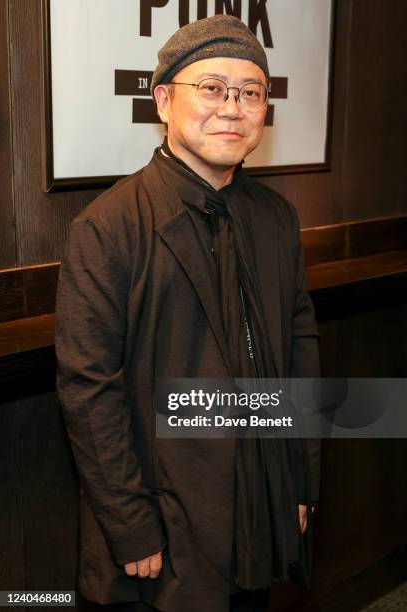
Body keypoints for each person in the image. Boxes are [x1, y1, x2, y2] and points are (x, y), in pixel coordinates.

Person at [55, 14, 321, 612]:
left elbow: (300, 351)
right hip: (164, 524)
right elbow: (89, 389)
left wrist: (297, 480)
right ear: (163, 100)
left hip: (259, 504)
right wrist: (129, 523)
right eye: (211, 88)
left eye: (250, 92)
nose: (232, 107)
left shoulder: (276, 218)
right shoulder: (108, 227)